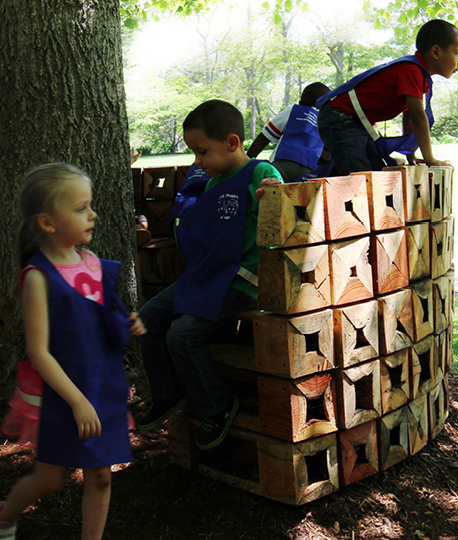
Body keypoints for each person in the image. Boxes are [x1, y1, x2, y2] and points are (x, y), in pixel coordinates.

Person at [0, 163, 145, 540]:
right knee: (49, 480)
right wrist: (77, 401)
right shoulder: (38, 277)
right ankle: (5, 515)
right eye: (80, 208)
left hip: (102, 388)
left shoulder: (93, 264)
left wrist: (127, 321)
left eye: (90, 205)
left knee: (100, 476)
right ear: (48, 223)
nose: (93, 214)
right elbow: (39, 351)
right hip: (64, 394)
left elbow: (100, 314)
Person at [136, 99, 282, 451]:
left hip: (242, 279)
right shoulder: (213, 184)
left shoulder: (262, 174)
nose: (197, 162)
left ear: (232, 143)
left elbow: (284, 209)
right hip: (207, 275)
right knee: (147, 317)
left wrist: (274, 198)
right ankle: (168, 394)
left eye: (201, 152)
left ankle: (216, 406)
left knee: (182, 338)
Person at [316, 19, 458, 175]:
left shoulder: (419, 75)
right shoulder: (411, 70)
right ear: (436, 52)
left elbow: (409, 117)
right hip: (340, 117)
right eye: (457, 53)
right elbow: (418, 117)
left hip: (357, 122)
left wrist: (411, 156)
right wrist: (430, 159)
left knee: (377, 170)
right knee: (359, 175)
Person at [246, 82, 331, 183]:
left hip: (282, 164)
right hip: (310, 170)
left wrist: (246, 163)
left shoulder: (293, 110)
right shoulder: (327, 121)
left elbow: (264, 138)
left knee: (273, 194)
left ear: (300, 102)